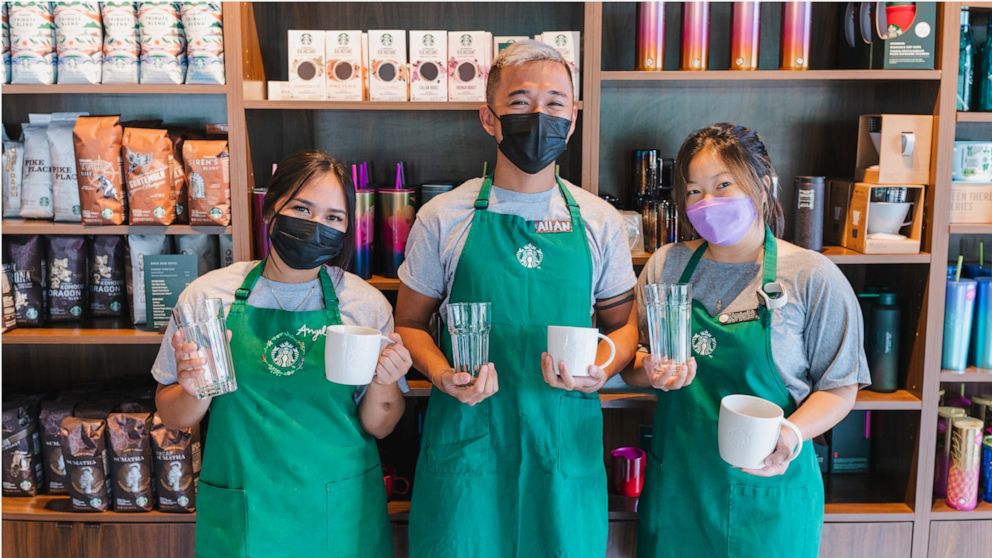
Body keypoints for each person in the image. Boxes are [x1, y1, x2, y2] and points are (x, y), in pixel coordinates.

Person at [396, 40, 639, 557]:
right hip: (470, 446)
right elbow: (410, 324)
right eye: (521, 102)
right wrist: (442, 376)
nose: (540, 115)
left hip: (562, 445)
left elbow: (624, 328)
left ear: (572, 119)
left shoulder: (599, 221)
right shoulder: (443, 217)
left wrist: (600, 366)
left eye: (555, 103)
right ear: (490, 117)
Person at [623, 124, 869, 558]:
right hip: (681, 491)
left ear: (762, 184)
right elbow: (633, 361)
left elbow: (840, 386)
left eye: (722, 185)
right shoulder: (667, 267)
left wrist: (792, 434)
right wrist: (650, 371)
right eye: (695, 191)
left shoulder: (811, 276)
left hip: (771, 498)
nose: (707, 202)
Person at [152, 151, 412, 557]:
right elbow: (173, 416)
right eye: (302, 208)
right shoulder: (208, 298)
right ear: (273, 207)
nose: (315, 226)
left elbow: (380, 425)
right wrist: (193, 389)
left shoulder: (365, 305)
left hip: (339, 511)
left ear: (347, 227)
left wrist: (386, 379)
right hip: (246, 510)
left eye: (333, 217)